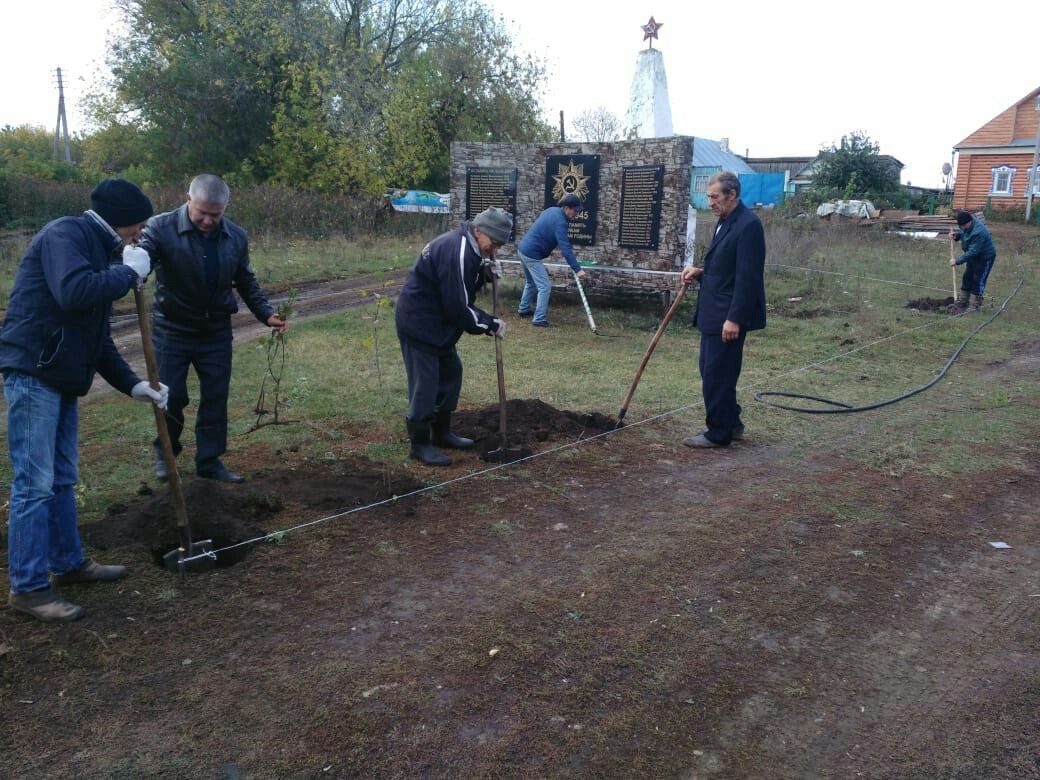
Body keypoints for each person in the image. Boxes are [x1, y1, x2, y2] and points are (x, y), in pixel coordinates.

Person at [0, 179, 169, 622]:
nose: (139, 235)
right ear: (122, 221)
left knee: (61, 478)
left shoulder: (102, 251)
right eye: (137, 227)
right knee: (34, 483)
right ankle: (29, 588)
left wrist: (135, 385)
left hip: (60, 376)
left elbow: (98, 340)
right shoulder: (65, 236)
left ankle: (68, 564)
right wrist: (128, 273)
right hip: (34, 371)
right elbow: (74, 293)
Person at [138, 174, 287, 484]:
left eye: (215, 215)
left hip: (215, 330)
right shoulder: (159, 228)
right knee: (172, 395)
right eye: (202, 213)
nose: (208, 220)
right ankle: (166, 453)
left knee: (215, 397)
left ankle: (209, 460)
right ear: (188, 200)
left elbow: (245, 279)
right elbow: (142, 260)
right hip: (172, 330)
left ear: (224, 209)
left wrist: (265, 313)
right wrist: (132, 269)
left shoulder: (235, 236)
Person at [395, 207, 511, 466]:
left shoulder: (470, 246)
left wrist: (485, 273)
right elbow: (457, 306)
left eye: (499, 245)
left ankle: (441, 432)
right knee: (425, 384)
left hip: (439, 325)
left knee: (450, 373)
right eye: (493, 243)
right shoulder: (456, 251)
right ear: (479, 231)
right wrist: (490, 324)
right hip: (420, 322)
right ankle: (420, 444)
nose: (495, 249)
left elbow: (463, 282)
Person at [680, 171, 766, 449]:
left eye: (715, 197)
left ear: (732, 195)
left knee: (718, 374)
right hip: (712, 312)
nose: (711, 202)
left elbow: (748, 278)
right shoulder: (724, 221)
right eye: (709, 197)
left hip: (727, 316)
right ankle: (733, 422)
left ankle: (718, 433)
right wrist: (700, 272)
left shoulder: (748, 225)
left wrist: (734, 318)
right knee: (712, 371)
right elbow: (725, 268)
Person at [516, 193, 589, 327]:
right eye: (575, 210)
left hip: (523, 250)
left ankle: (523, 309)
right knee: (544, 286)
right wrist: (577, 269)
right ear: (567, 208)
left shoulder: (552, 210)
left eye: (578, 211)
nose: (576, 214)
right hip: (531, 254)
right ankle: (539, 319)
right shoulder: (560, 222)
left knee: (531, 282)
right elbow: (565, 248)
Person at [948, 211, 996, 313]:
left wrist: (957, 261)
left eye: (964, 225)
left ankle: (974, 306)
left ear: (969, 221)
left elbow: (973, 251)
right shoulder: (967, 225)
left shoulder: (979, 232)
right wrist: (957, 236)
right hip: (973, 256)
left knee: (978, 280)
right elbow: (965, 234)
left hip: (985, 257)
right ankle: (963, 302)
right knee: (967, 277)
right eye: (961, 226)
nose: (963, 227)